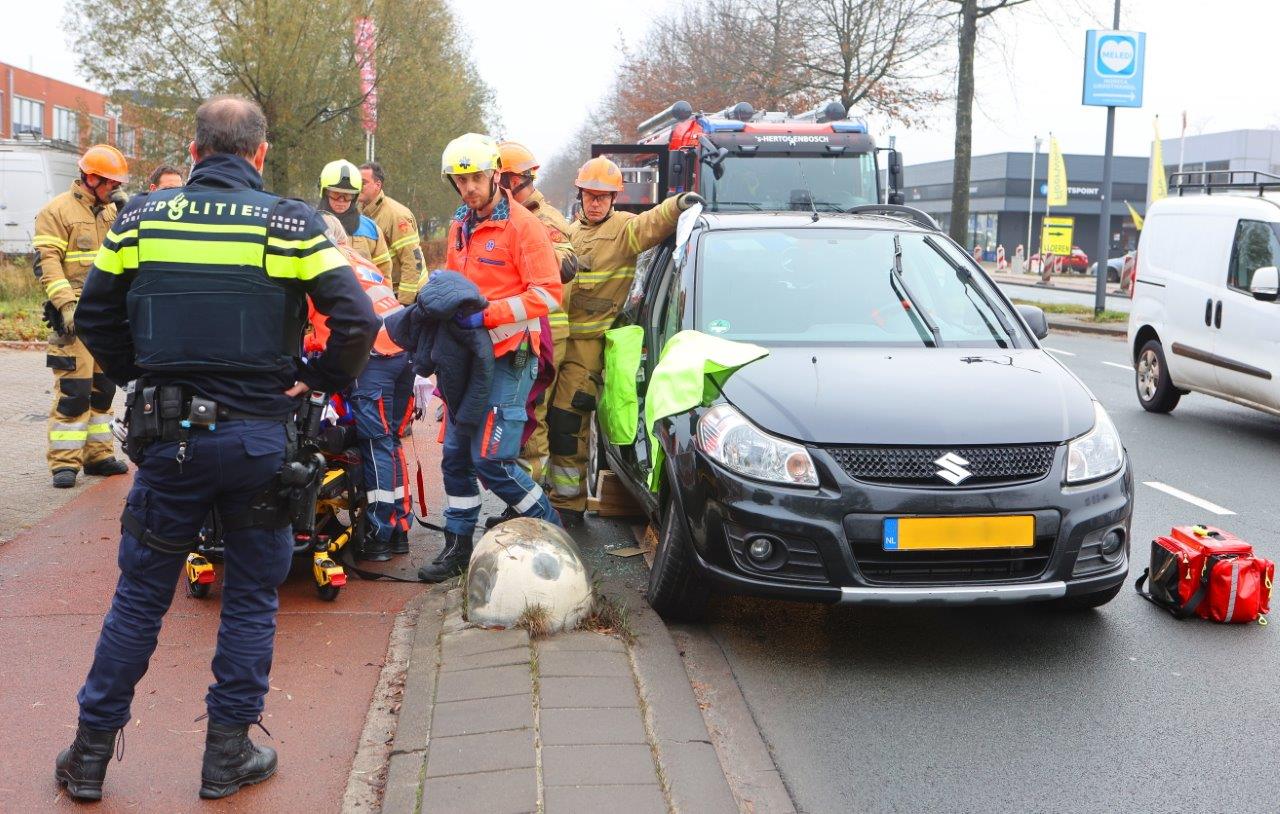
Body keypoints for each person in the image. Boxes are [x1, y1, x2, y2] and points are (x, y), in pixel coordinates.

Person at [56, 95, 378, 802]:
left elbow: (98, 315)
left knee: (139, 598)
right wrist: (313, 379)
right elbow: (356, 319)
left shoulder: (139, 217)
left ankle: (87, 755)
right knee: (252, 600)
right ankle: (225, 756)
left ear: (195, 152)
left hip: (168, 444)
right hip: (259, 439)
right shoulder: (291, 222)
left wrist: (142, 372)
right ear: (259, 155)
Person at [416, 133, 563, 583]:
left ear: (496, 174)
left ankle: (554, 535)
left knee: (491, 460)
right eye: (459, 181)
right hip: (466, 359)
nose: (468, 189)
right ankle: (458, 546)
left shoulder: (524, 226)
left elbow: (547, 295)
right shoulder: (459, 222)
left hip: (509, 355)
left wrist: (488, 316)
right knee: (456, 457)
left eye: (476, 178)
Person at [548, 157, 702, 527]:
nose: (596, 203)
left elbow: (651, 224)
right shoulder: (570, 233)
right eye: (590, 195)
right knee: (546, 422)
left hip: (589, 348)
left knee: (569, 422)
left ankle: (568, 506)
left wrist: (678, 204)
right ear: (580, 195)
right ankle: (547, 497)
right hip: (560, 342)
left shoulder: (623, 230)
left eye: (603, 196)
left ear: (615, 198)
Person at [309, 212, 414, 559]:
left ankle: (379, 533)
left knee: (374, 444)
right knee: (390, 442)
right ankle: (399, 528)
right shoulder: (358, 259)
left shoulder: (320, 264)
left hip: (373, 360)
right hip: (401, 353)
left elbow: (305, 322)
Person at [32, 143, 132, 488]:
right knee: (74, 391)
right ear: (90, 178)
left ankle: (98, 455)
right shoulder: (56, 211)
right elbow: (48, 264)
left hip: (106, 319)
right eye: (110, 183)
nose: (115, 189)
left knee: (103, 390)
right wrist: (66, 307)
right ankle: (64, 464)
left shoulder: (110, 211)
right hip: (72, 316)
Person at [497, 140, 578, 495]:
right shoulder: (505, 216)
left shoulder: (543, 220)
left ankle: (529, 500)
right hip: (515, 330)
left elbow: (567, 263)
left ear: (514, 179)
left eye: (497, 178)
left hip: (542, 333)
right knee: (518, 413)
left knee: (531, 415)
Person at [359, 161, 424, 305]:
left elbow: (412, 261)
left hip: (404, 295)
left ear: (378, 185)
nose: (358, 186)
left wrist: (403, 304)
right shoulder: (360, 213)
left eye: (363, 182)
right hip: (383, 293)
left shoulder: (396, 215)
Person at [318, 159, 392, 278]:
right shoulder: (309, 226)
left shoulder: (372, 230)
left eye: (348, 195)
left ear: (355, 196)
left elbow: (384, 275)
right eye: (336, 194)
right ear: (324, 192)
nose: (341, 200)